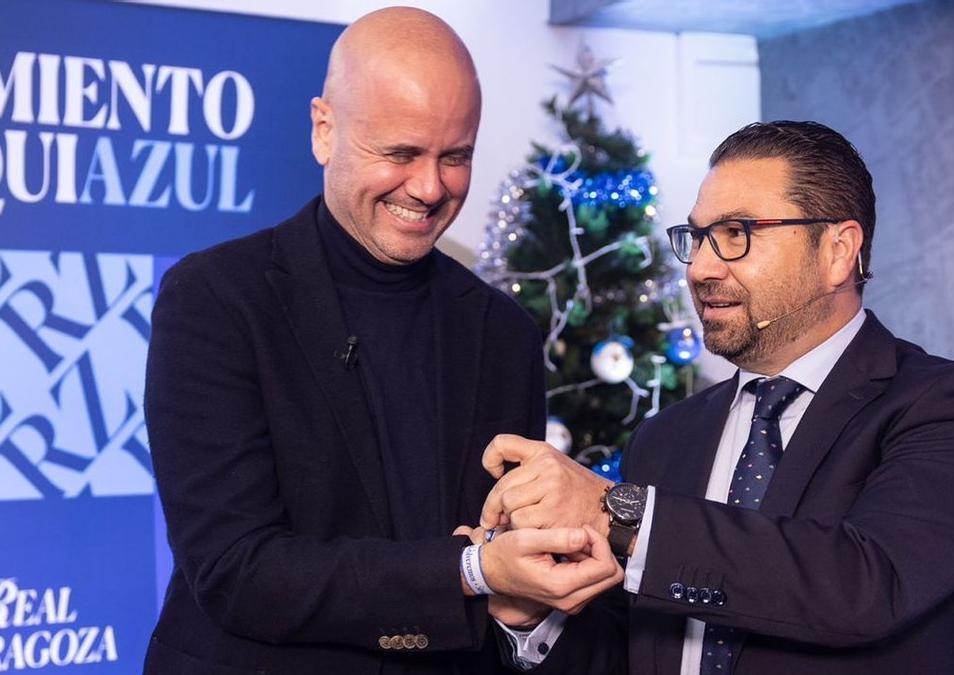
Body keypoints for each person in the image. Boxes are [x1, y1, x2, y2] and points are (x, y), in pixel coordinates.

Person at [144, 8, 621, 674]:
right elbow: (235, 568)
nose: (429, 188)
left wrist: (526, 604)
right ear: (324, 130)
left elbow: (507, 569)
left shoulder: (503, 331)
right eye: (400, 153)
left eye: (455, 157)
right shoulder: (216, 298)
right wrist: (471, 571)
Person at [478, 120, 954, 674]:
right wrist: (532, 617)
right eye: (697, 237)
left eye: (737, 233)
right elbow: (636, 653)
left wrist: (614, 510)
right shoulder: (666, 436)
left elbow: (863, 584)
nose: (700, 268)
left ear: (839, 251)